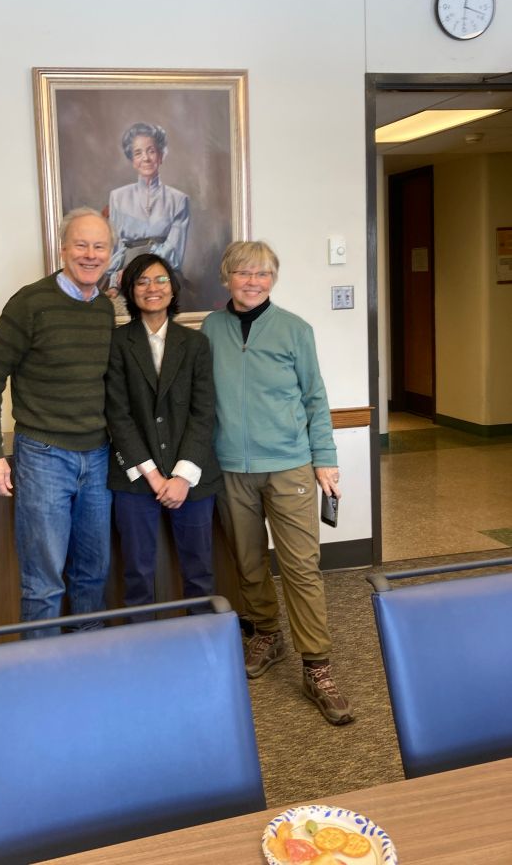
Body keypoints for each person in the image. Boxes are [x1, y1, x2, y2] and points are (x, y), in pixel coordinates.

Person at [201, 240, 354, 726]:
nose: (253, 282)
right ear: (227, 277)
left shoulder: (294, 330)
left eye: (263, 274)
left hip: (289, 466)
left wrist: (325, 460)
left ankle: (317, 667)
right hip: (231, 468)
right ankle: (267, 632)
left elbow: (315, 398)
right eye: (243, 273)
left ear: (273, 280)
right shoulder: (210, 328)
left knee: (302, 567)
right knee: (248, 562)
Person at [0, 206, 116, 634]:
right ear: (62, 248)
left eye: (100, 246)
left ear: (110, 253)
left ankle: (89, 666)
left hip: (98, 457)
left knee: (93, 575)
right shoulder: (29, 303)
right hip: (43, 457)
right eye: (81, 245)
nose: (90, 255)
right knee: (43, 583)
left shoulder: (105, 310)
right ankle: (43, 679)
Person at [105, 253, 222, 613]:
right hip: (137, 479)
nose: (152, 288)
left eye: (160, 280)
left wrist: (182, 477)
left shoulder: (196, 344)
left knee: (199, 571)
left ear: (172, 289)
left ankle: (203, 648)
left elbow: (204, 414)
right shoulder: (116, 343)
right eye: (142, 281)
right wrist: (156, 478)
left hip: (192, 476)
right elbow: (118, 415)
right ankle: (144, 654)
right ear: (129, 290)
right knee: (138, 573)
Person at [105, 122, 190, 296]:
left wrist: (137, 270)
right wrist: (115, 282)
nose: (146, 158)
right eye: (138, 152)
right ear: (132, 159)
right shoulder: (117, 197)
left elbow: (173, 250)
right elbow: (116, 247)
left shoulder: (179, 199)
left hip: (163, 271)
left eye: (151, 151)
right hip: (123, 273)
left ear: (161, 155)